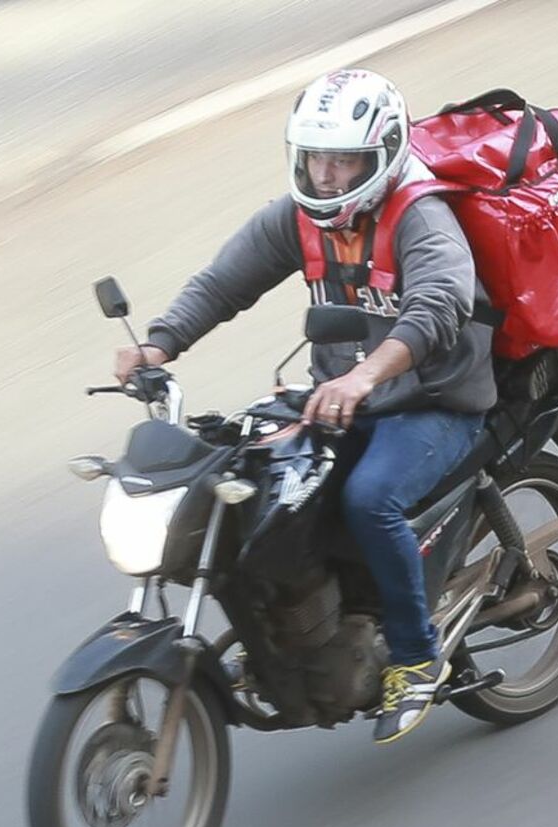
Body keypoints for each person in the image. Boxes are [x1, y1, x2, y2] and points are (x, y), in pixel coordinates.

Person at [113, 68, 497, 744]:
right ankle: (294, 632)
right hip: (338, 396)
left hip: (433, 400)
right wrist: (159, 345)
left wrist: (366, 377)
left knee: (368, 498)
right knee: (254, 484)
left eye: (343, 159)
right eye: (315, 157)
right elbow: (226, 280)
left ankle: (414, 656)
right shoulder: (300, 217)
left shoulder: (421, 217)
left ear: (380, 157)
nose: (325, 175)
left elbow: (438, 307)